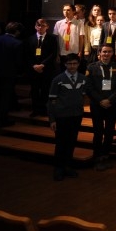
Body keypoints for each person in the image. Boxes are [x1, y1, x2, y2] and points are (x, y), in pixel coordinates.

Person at [47, 53, 86, 181]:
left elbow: (83, 95)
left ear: (78, 64)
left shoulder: (83, 78)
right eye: (69, 64)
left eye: (75, 63)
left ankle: (68, 166)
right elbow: (51, 100)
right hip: (62, 116)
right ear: (65, 64)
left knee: (71, 141)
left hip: (76, 115)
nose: (72, 66)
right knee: (61, 143)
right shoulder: (58, 79)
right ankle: (58, 168)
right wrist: (52, 119)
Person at [84, 44, 116, 171]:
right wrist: (100, 100)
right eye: (104, 52)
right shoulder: (91, 67)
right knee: (98, 131)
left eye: (109, 52)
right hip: (97, 104)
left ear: (112, 53)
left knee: (110, 131)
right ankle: (97, 157)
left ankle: (106, 155)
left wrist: (109, 100)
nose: (106, 54)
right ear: (99, 53)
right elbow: (88, 87)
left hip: (112, 104)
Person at [27, 19, 59, 118]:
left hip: (47, 68)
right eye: (38, 25)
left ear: (47, 27)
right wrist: (34, 65)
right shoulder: (30, 39)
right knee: (34, 90)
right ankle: (35, 110)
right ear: (35, 27)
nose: (40, 27)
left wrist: (42, 65)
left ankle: (44, 110)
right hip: (33, 69)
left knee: (45, 90)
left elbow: (53, 54)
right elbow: (27, 54)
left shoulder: (52, 38)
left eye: (43, 25)